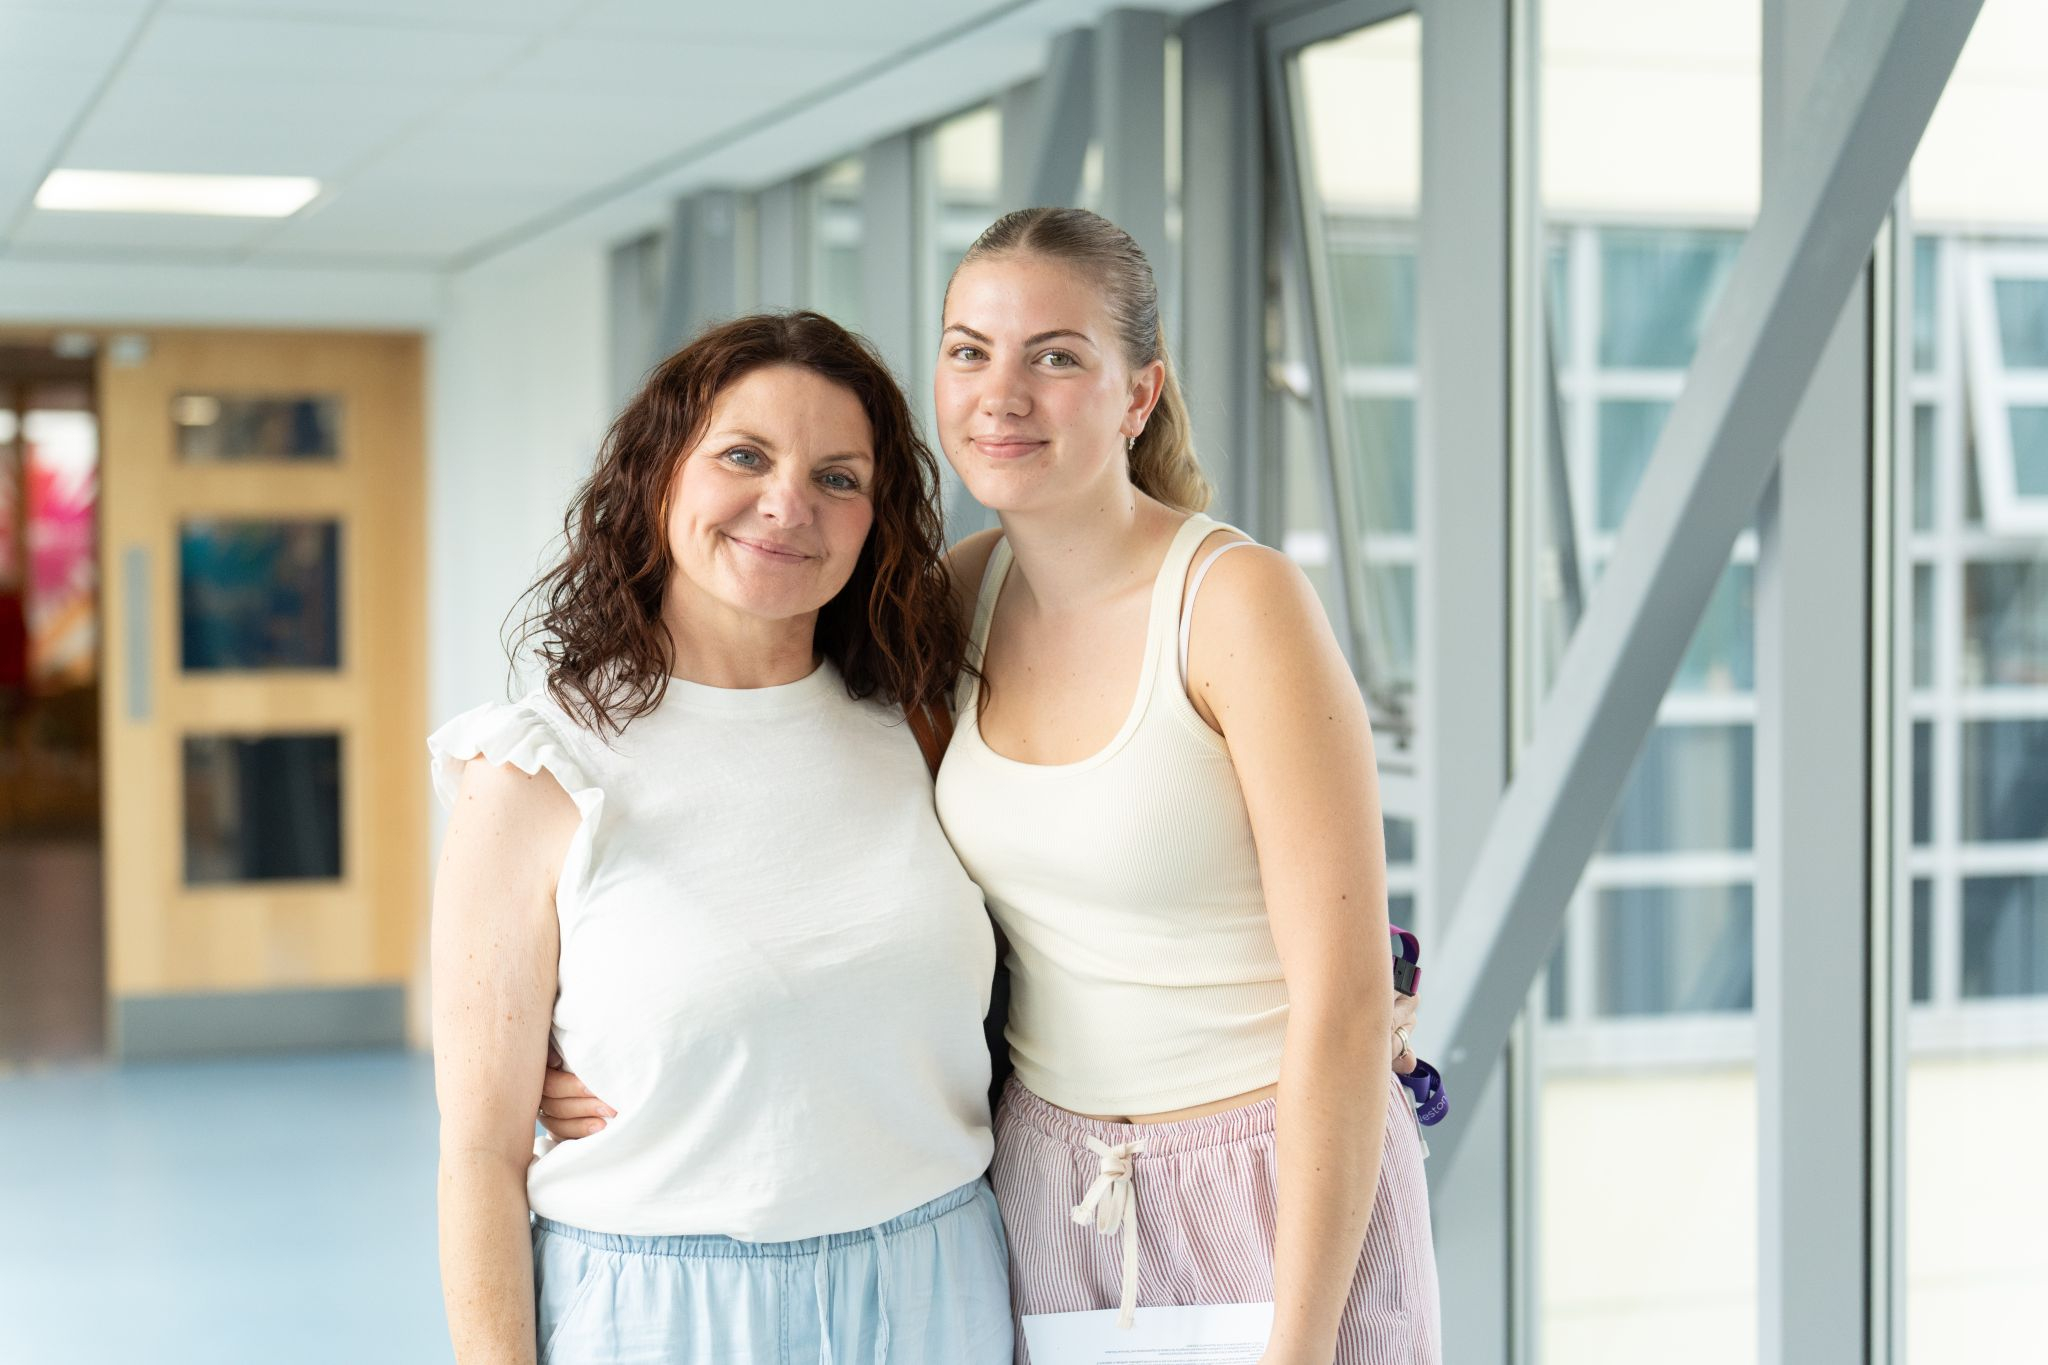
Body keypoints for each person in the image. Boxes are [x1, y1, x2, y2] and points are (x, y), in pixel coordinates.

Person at [544, 208, 1440, 1365]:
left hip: (1275, 1179)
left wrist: (1301, 1343)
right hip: (1043, 1187)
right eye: (969, 349)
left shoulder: (1236, 605)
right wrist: (598, 1050)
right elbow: (792, 819)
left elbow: (1346, 1001)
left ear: (1137, 394)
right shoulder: (952, 602)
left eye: (1055, 357)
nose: (1000, 394)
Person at [428, 312, 1012, 1365]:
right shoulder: (535, 767)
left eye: (839, 478)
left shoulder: (919, 727)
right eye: (744, 456)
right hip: (658, 1308)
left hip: (938, 1289)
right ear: (657, 477)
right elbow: (478, 1152)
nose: (788, 504)